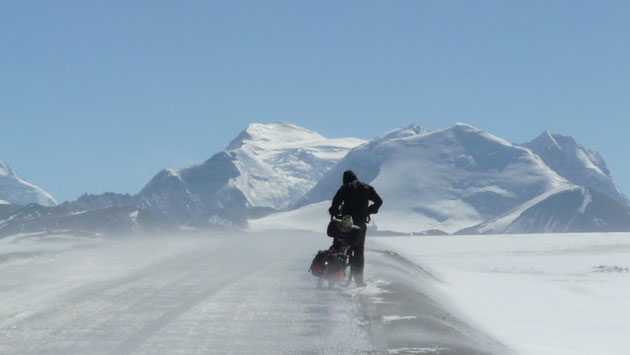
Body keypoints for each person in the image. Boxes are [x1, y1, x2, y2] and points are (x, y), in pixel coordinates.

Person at [328, 170, 383, 287]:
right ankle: (359, 281)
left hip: (345, 223)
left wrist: (334, 211)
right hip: (359, 224)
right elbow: (379, 201)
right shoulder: (367, 188)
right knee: (358, 251)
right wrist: (368, 211)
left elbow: (336, 201)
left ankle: (330, 272)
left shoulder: (345, 187)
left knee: (337, 244)